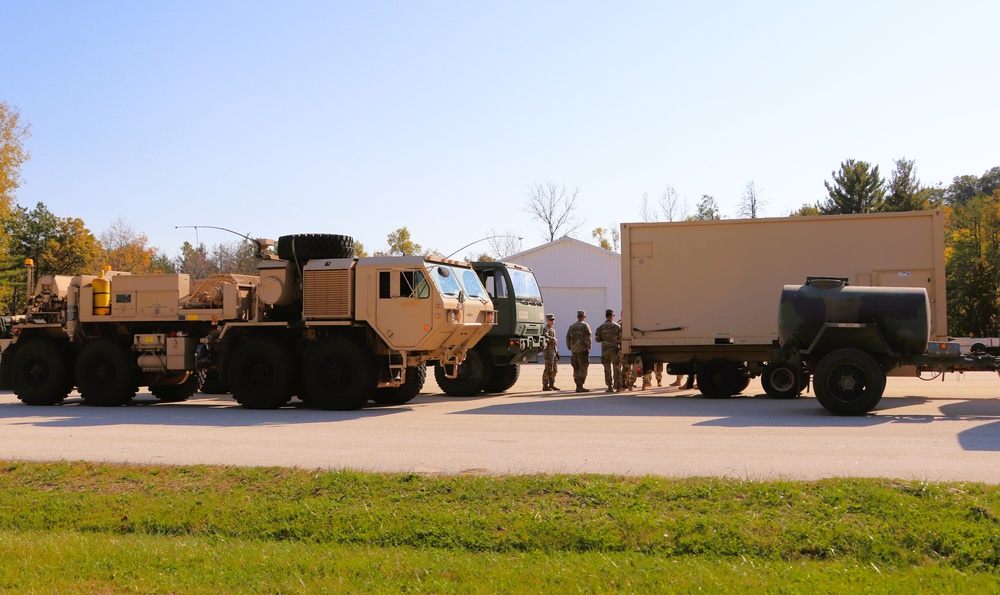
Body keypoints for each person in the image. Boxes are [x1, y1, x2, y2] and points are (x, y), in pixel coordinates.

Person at [594, 308, 622, 393]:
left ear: (606, 316)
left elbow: (597, 339)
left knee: (607, 368)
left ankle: (609, 386)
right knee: (616, 367)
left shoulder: (601, 327)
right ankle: (618, 386)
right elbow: (621, 338)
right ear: (612, 316)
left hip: (605, 350)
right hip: (614, 349)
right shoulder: (617, 326)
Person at [565, 310, 593, 393]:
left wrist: (570, 347)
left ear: (577, 317)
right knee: (583, 367)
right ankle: (580, 386)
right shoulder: (585, 326)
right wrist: (589, 347)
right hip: (582, 350)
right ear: (584, 317)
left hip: (574, 350)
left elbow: (567, 338)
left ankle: (577, 385)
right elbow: (588, 337)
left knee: (576, 367)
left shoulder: (572, 326)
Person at [541, 313, 560, 391]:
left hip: (553, 351)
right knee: (548, 368)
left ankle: (552, 384)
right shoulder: (546, 328)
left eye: (553, 320)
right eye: (550, 320)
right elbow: (545, 336)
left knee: (554, 369)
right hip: (548, 352)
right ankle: (545, 385)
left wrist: (557, 351)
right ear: (547, 320)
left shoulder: (552, 329)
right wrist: (553, 339)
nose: (552, 321)